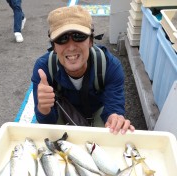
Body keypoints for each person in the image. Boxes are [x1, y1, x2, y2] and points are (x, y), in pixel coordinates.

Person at [31, 5, 135, 135]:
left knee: (112, 131)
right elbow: (47, 122)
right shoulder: (44, 69)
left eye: (78, 36)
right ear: (54, 46)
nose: (71, 47)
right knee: (49, 135)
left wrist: (114, 117)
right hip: (64, 110)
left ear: (91, 40)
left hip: (97, 111)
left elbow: (114, 106)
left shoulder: (110, 65)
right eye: (61, 39)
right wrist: (44, 107)